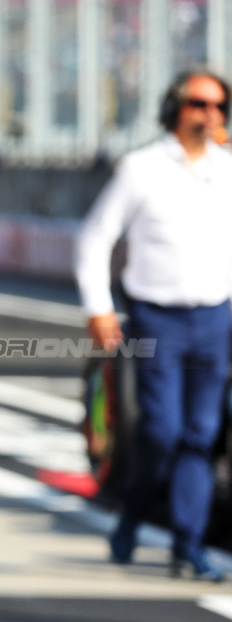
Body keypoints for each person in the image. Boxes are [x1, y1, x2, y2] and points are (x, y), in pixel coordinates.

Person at [76, 69, 232, 583]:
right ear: (175, 107)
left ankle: (188, 544)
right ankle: (134, 512)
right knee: (161, 432)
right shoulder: (141, 169)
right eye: (198, 104)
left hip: (214, 317)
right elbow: (95, 239)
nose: (209, 115)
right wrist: (99, 308)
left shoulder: (226, 169)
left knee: (201, 435)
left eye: (218, 107)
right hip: (155, 317)